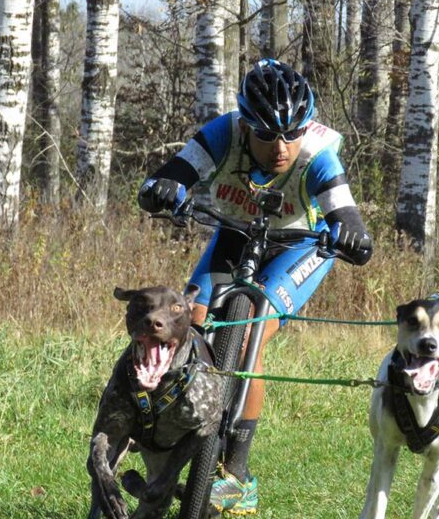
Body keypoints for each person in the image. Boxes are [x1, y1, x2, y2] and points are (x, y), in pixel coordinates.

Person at [137, 58, 373, 516]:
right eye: (267, 135)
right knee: (189, 325)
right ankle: (170, 438)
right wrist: (162, 189)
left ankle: (236, 473)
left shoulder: (318, 155)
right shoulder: (222, 134)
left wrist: (353, 235)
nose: (281, 146)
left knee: (249, 336)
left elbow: (346, 213)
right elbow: (172, 174)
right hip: (237, 232)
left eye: (293, 133)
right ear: (246, 127)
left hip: (300, 246)